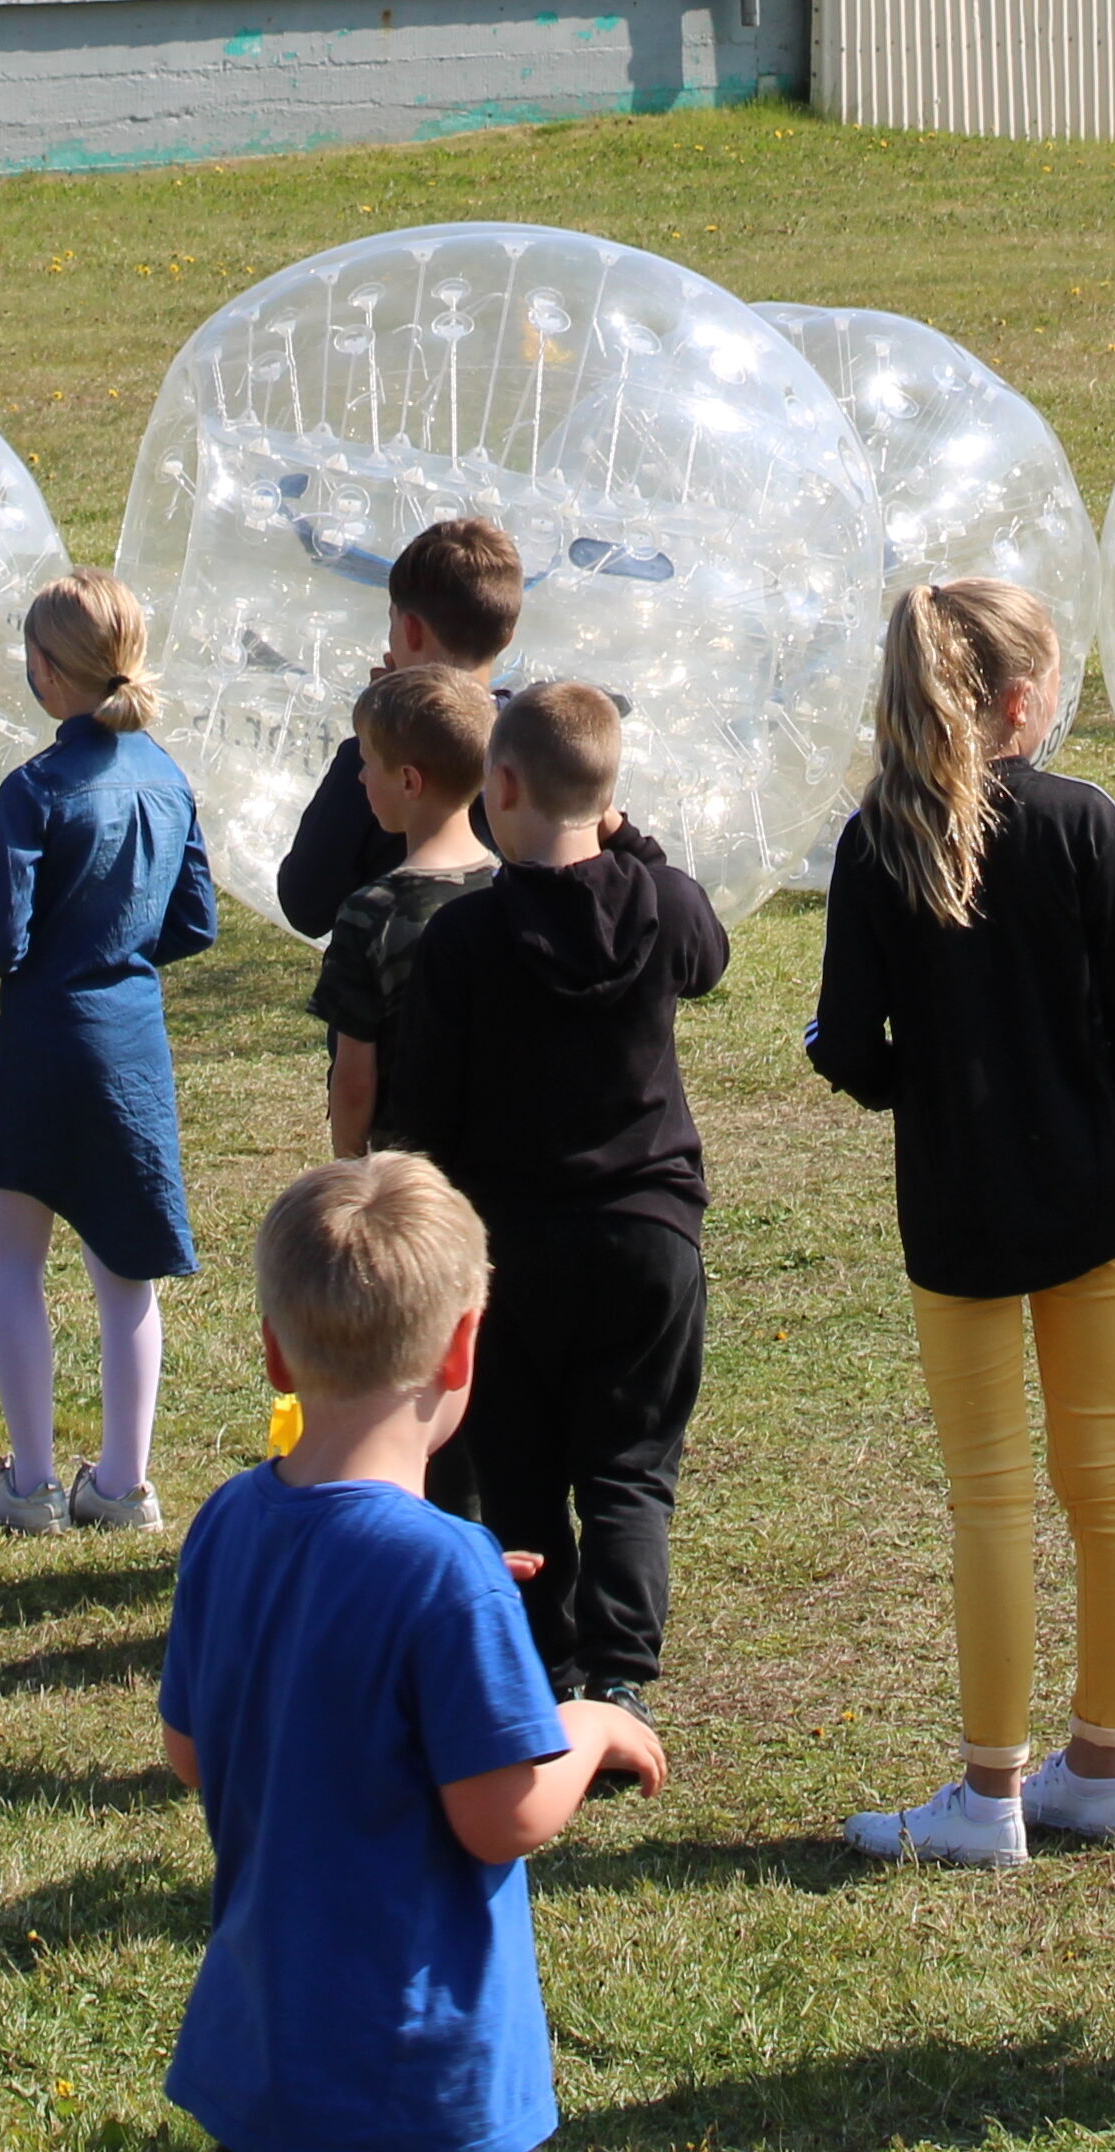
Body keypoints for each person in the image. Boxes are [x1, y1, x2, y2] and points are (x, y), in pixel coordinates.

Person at [159, 1153, 664, 2152]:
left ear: (273, 1351)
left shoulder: (230, 1520)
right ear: (462, 1347)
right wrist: (591, 1720)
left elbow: (190, 1750)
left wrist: (447, 1603)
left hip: (266, 2050)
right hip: (407, 2078)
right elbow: (502, 1814)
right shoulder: (443, 1573)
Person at [809, 577, 1115, 1866]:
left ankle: (990, 1793)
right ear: (1023, 700)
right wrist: (1106, 1163)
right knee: (1102, 1481)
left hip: (957, 1210)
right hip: (1089, 1205)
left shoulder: (876, 842)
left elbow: (848, 1046)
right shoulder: (1087, 824)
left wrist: (926, 1091)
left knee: (991, 1498)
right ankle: (1101, 1764)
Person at [392, 680, 729, 1713]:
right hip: (648, 1231)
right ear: (610, 793)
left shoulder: (460, 941)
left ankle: (542, 1665)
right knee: (630, 1464)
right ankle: (621, 1676)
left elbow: (423, 1114)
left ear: (499, 785)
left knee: (523, 1466)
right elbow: (708, 957)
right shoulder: (660, 902)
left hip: (514, 1245)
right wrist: (628, 835)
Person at [0, 575, 219, 1539]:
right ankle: (124, 1483)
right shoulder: (169, 777)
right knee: (127, 1270)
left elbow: (0, 941)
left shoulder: (34, 788)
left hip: (42, 1040)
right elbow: (195, 921)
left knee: (15, 1259)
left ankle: (28, 1483)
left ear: (44, 669)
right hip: (134, 1041)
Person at [270, 520, 528, 942]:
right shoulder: (534, 742)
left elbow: (306, 903)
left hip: (401, 989)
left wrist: (380, 734)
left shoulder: (380, 758)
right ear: (508, 633)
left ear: (409, 629)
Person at [316, 667, 500, 1161]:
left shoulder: (372, 914)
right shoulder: (511, 892)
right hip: (504, 1175)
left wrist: (350, 1173)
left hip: (407, 1188)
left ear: (408, 781)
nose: (359, 777)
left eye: (367, 763)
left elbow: (355, 1078)